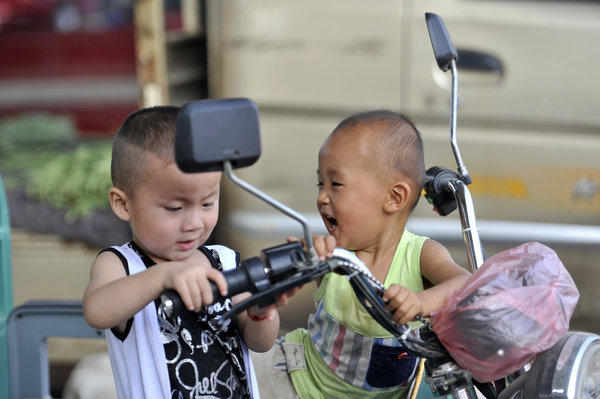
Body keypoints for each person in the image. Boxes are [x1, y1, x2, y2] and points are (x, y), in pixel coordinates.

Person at [82, 105, 314, 399]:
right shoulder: (121, 265)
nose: (193, 223)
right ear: (123, 204)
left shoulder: (224, 261)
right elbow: (96, 310)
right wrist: (165, 275)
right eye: (174, 208)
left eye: (207, 203)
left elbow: (260, 343)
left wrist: (260, 311)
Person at [252, 110, 471, 399]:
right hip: (299, 380)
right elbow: (289, 274)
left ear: (394, 198)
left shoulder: (420, 254)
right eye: (321, 184)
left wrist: (419, 302)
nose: (321, 197)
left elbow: (467, 284)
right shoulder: (333, 252)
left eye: (336, 185)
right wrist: (302, 262)